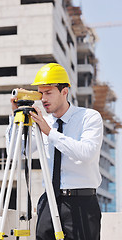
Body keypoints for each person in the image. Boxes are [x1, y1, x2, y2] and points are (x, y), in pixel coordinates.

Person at [6, 63, 103, 240]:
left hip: (81, 201)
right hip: (49, 200)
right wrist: (15, 119)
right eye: (41, 93)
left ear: (64, 91)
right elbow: (17, 153)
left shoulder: (89, 117)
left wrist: (50, 133)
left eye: (49, 93)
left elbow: (87, 153)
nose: (43, 99)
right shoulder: (42, 122)